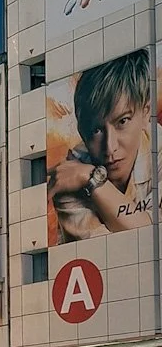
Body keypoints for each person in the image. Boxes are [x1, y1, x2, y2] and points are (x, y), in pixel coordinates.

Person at [48, 48, 156, 242]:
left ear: (146, 113)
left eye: (122, 121)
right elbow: (114, 252)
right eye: (97, 130)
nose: (110, 147)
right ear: (82, 131)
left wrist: (91, 179)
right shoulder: (67, 177)